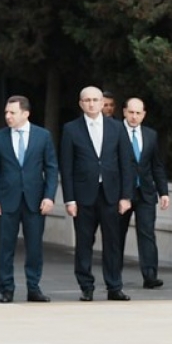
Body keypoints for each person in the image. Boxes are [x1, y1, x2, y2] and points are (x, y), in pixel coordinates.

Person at [60, 85, 135, 302]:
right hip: (83, 195)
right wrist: (69, 199)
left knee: (113, 242)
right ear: (81, 104)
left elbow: (126, 163)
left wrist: (126, 196)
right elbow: (67, 166)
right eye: (87, 100)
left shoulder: (117, 128)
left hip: (111, 194)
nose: (91, 104)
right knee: (84, 242)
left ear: (103, 103)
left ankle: (114, 286)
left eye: (95, 100)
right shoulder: (71, 129)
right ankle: (86, 286)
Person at [0, 96, 58, 302]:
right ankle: (6, 289)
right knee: (5, 248)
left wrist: (49, 197)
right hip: (6, 201)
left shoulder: (43, 136)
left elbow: (51, 168)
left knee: (34, 248)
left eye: (12, 112)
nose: (8, 116)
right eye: (6, 112)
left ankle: (33, 287)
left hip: (35, 201)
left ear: (25, 113)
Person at [119, 97, 170, 289]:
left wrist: (163, 192)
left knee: (147, 233)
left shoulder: (150, 135)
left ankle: (150, 276)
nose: (134, 116)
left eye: (138, 113)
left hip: (146, 192)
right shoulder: (115, 132)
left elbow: (157, 165)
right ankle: (114, 276)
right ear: (124, 112)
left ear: (144, 115)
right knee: (117, 234)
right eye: (131, 112)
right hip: (121, 194)